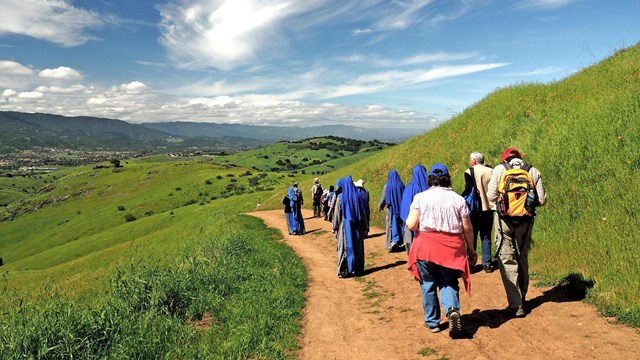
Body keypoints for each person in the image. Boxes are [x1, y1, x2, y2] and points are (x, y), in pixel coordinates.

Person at [405, 163, 477, 338]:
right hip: (451, 249)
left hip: (426, 248)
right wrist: (471, 250)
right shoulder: (458, 199)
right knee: (449, 281)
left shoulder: (420, 197)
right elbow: (467, 228)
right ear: (447, 178)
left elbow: (411, 224)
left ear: (430, 179)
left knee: (428, 284)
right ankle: (452, 310)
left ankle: (432, 322)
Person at [486, 148, 547, 318]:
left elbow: (491, 196)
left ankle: (516, 303)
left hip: (504, 221)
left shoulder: (499, 170)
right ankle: (523, 296)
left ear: (505, 158)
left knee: (507, 258)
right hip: (526, 222)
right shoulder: (532, 171)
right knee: (522, 257)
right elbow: (541, 200)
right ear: (520, 158)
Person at [461, 152, 495, 272]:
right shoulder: (491, 171)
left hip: (474, 208)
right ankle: (487, 263)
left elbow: (468, 189)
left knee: (472, 235)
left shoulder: (469, 171)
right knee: (486, 235)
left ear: (474, 161)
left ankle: (471, 263)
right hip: (489, 208)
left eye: (470, 159)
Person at [334, 176, 366, 277]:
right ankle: (358, 268)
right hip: (357, 225)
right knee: (358, 247)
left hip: (345, 226)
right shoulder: (359, 196)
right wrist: (365, 226)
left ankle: (344, 269)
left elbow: (337, 215)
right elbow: (363, 213)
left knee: (344, 247)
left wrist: (335, 227)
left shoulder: (340, 197)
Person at [400, 164, 429, 254]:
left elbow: (405, 206)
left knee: (410, 239)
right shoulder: (429, 188)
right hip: (426, 221)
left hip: (411, 220)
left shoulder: (409, 188)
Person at [378, 170, 405, 251]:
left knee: (390, 225)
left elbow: (383, 198)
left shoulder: (387, 186)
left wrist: (380, 206)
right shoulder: (401, 185)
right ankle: (399, 241)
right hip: (401, 209)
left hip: (391, 209)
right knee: (400, 224)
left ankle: (391, 242)